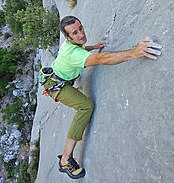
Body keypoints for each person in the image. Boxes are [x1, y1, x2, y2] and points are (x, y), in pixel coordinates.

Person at [51, 15, 162, 179]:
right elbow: (102, 59)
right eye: (75, 33)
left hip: (57, 75)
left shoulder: (70, 45)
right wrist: (134, 52)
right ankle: (65, 160)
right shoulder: (72, 54)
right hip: (57, 87)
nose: (81, 34)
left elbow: (79, 48)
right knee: (85, 106)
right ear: (68, 37)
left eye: (81, 28)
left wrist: (93, 46)